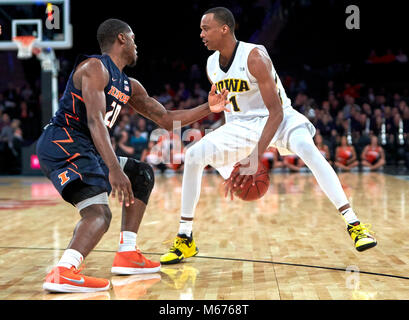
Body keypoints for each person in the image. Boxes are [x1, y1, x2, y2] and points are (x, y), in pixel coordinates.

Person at [160, 7, 377, 265]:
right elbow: (228, 107)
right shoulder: (211, 66)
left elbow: (275, 112)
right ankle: (185, 238)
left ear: (224, 29)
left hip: (279, 117)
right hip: (241, 124)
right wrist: (215, 109)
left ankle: (354, 223)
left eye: (205, 29)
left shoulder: (254, 57)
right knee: (195, 154)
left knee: (306, 148)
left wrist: (254, 158)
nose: (201, 34)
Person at [36, 18, 229, 293]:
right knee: (99, 214)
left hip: (86, 149)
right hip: (64, 141)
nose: (137, 45)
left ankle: (127, 252)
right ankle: (63, 270)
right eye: (134, 38)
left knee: (141, 174)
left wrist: (208, 108)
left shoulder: (129, 85)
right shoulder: (94, 68)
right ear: (122, 39)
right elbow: (94, 121)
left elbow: (166, 118)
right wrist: (114, 169)